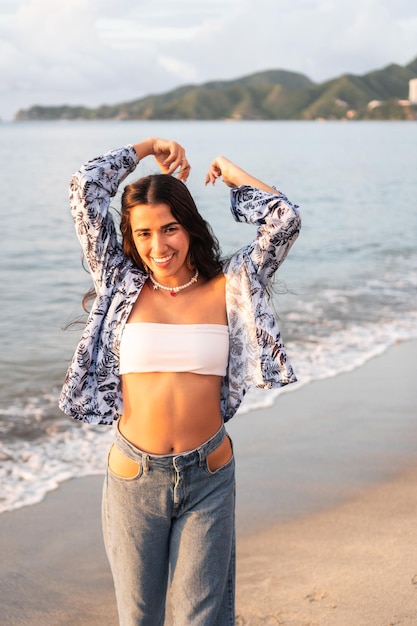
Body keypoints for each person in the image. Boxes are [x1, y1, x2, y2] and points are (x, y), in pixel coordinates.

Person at [59, 137, 301, 626]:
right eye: (143, 233)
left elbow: (285, 221)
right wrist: (147, 148)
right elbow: (86, 187)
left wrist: (235, 176)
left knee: (204, 618)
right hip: (134, 477)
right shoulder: (120, 283)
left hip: (208, 474)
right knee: (138, 617)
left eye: (169, 229)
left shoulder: (230, 285)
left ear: (189, 226)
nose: (157, 246)